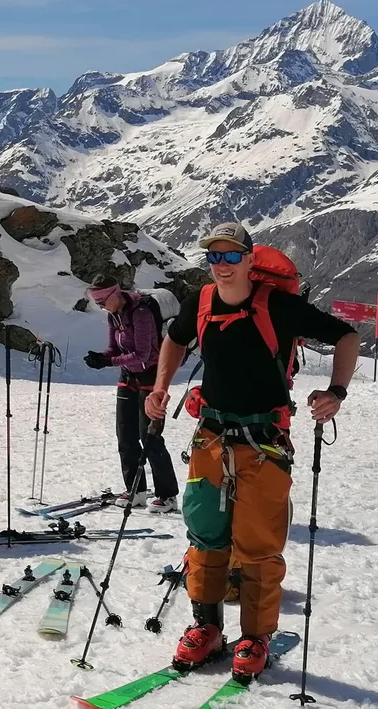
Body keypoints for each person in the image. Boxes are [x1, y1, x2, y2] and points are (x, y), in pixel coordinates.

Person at [143, 222, 359, 680]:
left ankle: (255, 637)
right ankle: (207, 627)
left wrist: (337, 390)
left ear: (248, 258)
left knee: (259, 546)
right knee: (205, 535)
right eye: (213, 257)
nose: (222, 266)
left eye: (231, 256)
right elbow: (175, 339)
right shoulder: (200, 302)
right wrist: (160, 387)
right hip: (211, 437)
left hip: (263, 441)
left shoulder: (279, 305)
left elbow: (346, 336)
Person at [84, 281, 180, 514]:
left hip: (151, 377)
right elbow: (114, 349)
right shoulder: (113, 316)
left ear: (114, 293)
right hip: (128, 377)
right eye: (97, 303)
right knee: (125, 435)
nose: (102, 307)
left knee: (150, 437)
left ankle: (167, 496)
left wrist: (109, 362)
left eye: (103, 301)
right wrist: (101, 357)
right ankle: (135, 490)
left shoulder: (142, 313)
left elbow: (143, 353)